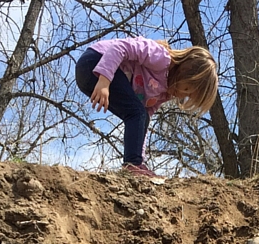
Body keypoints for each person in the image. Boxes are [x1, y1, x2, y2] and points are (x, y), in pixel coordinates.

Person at [74, 37, 218, 178]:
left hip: (96, 76)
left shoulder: (163, 93)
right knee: (136, 112)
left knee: (139, 115)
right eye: (186, 89)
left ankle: (135, 163)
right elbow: (120, 47)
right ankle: (132, 164)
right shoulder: (160, 57)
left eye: (187, 96)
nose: (181, 95)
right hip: (94, 62)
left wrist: (140, 157)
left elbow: (143, 120)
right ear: (184, 70)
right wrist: (104, 80)